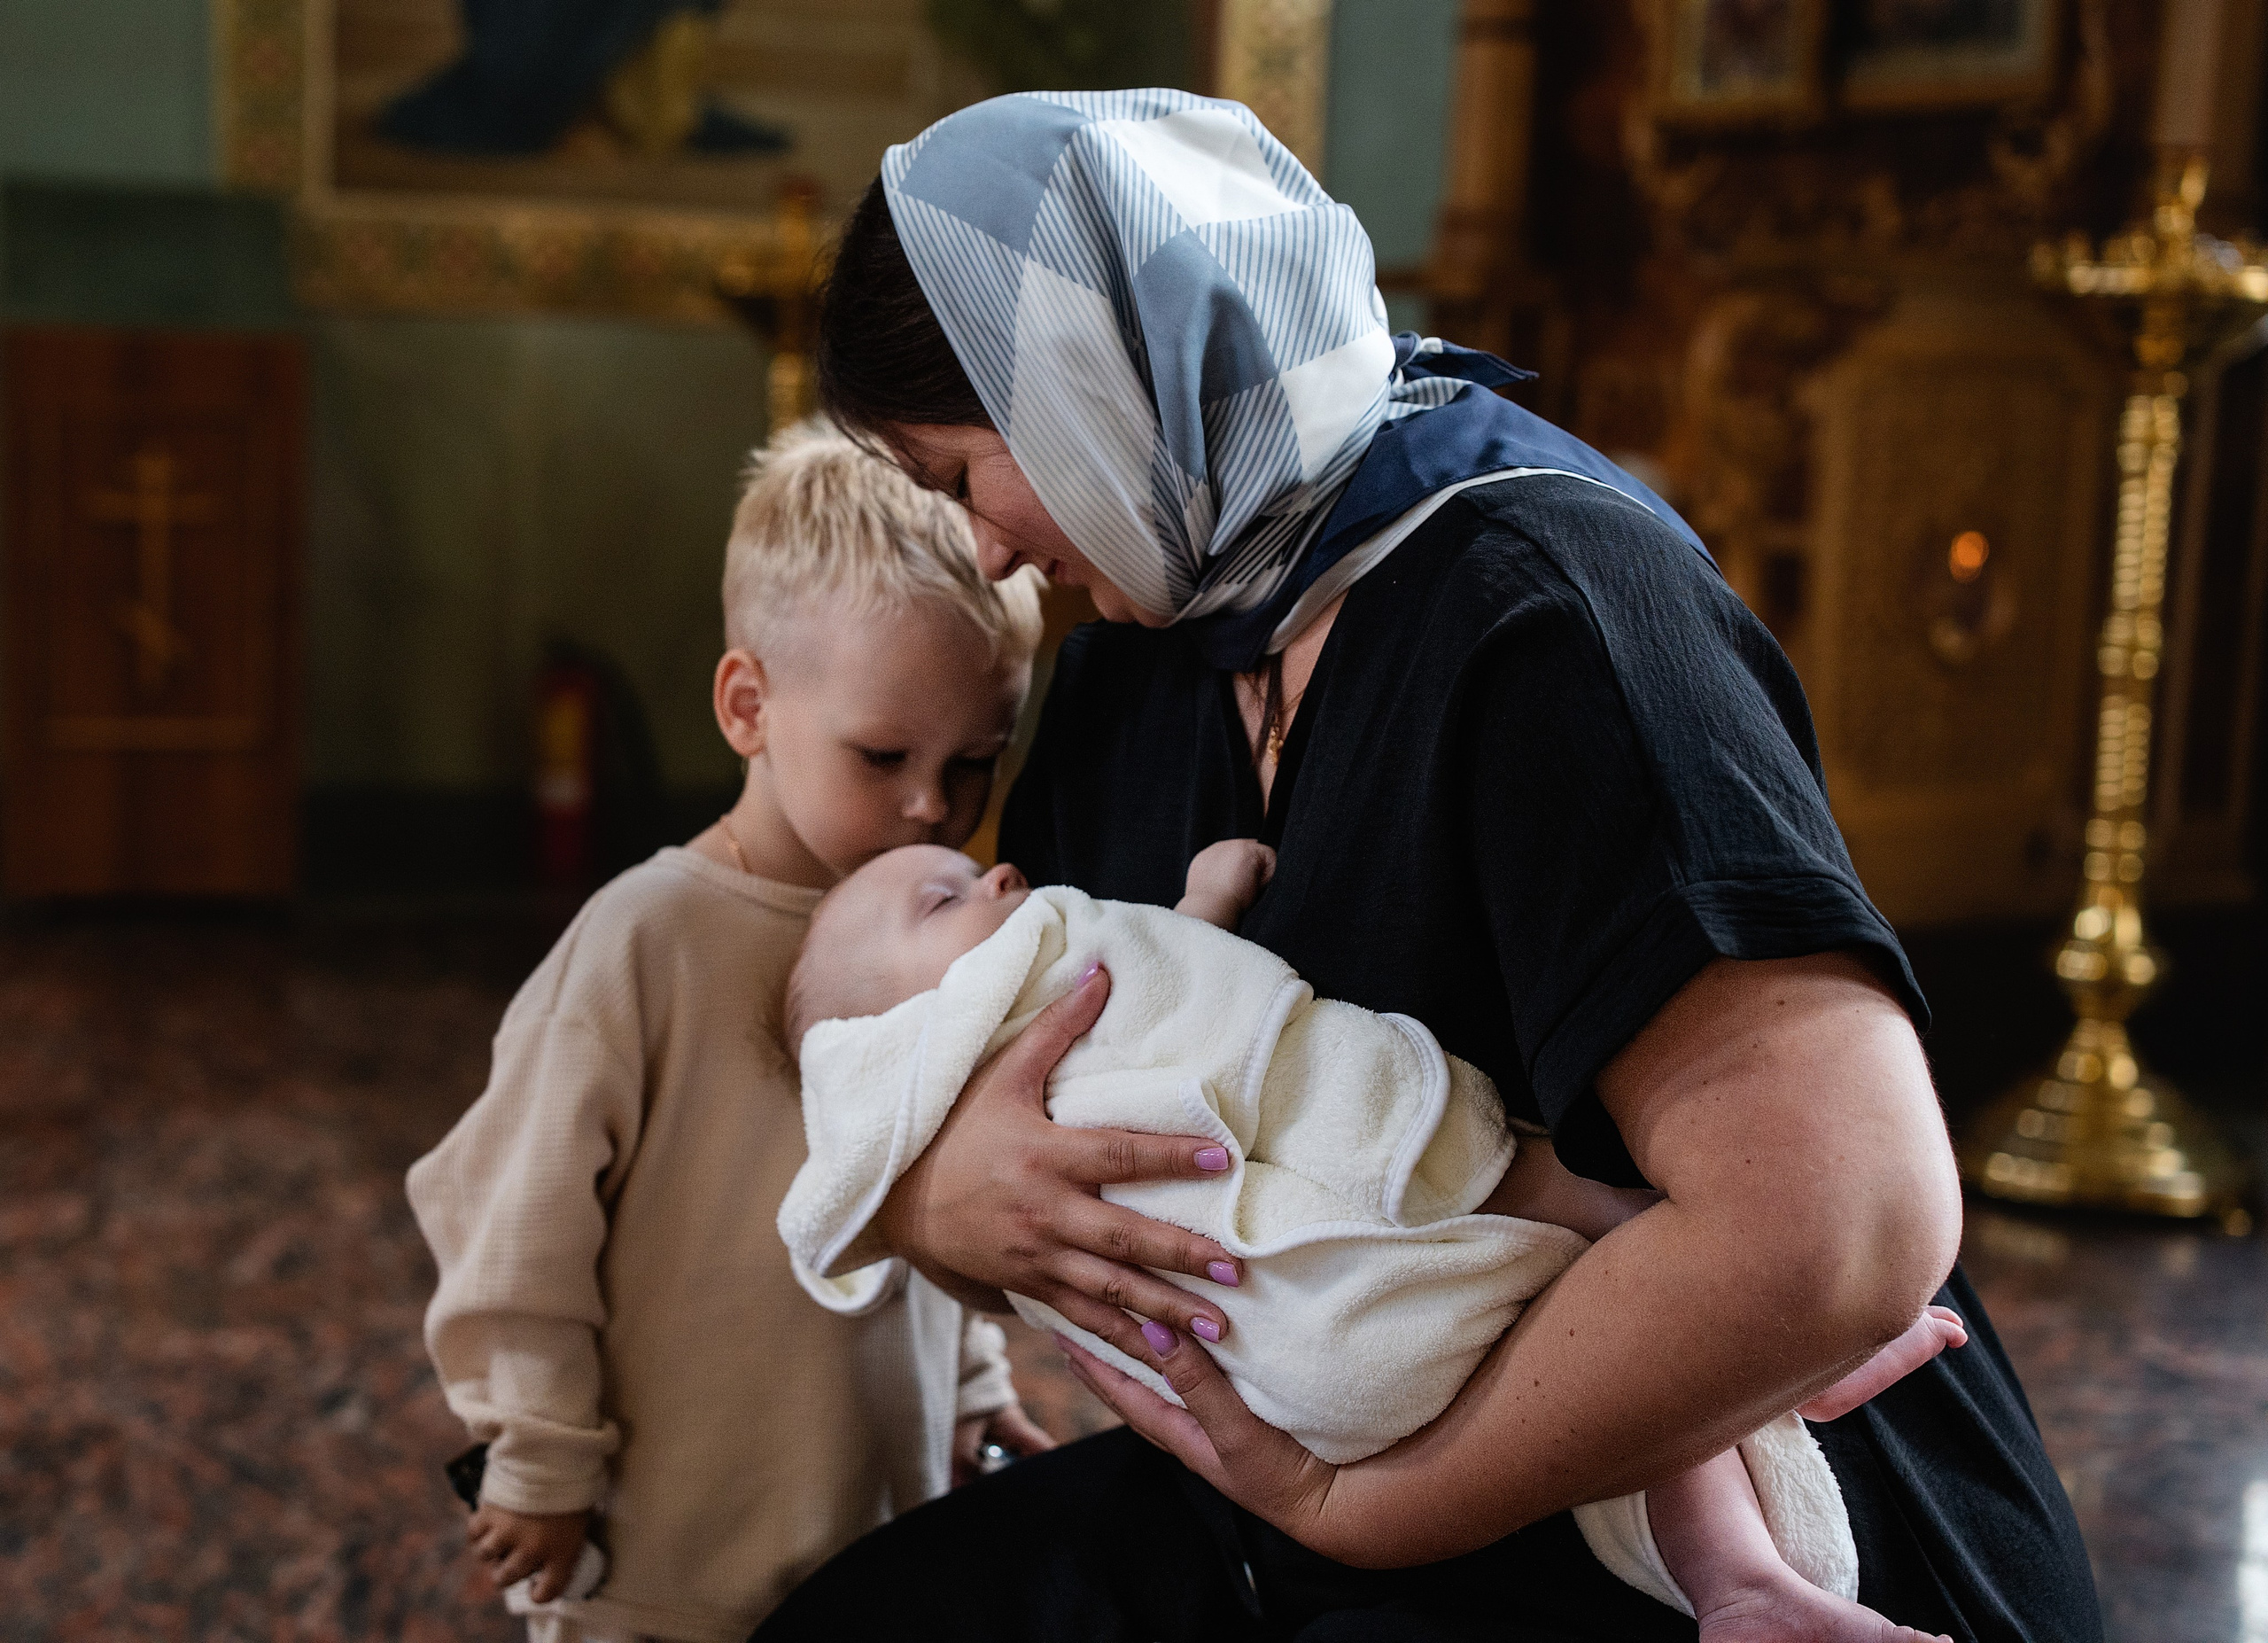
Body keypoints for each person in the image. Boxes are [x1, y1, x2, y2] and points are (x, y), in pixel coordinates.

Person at [752, 89, 2101, 1642]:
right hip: (1325, 1467)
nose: (983, 554)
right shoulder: (1138, 665)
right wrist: (943, 1202)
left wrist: (1368, 1514)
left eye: (958, 473)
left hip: (1721, 1507)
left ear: (1077, 384)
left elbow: (1843, 1228)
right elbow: (1090, 1101)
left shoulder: (1548, 613)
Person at [781, 838, 1969, 1640]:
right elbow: (1172, 990)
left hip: (1314, 1384)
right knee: (1614, 1237)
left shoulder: (1019, 1022)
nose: (991, 867)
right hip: (1352, 1250)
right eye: (939, 900)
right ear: (891, 1051)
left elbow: (1168, 971)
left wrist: (1201, 906)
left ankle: (1741, 1577)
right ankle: (1780, 1345)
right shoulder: (1012, 1007)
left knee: (1614, 1362)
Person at [405, 426, 1054, 1643]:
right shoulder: (646, 940)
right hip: (667, 1552)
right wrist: (537, 1457)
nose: (934, 807)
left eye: (977, 761)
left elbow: (936, 1187)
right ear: (749, 704)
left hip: (874, 1522)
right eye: (883, 755)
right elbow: (515, 1221)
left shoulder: (946, 938)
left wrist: (971, 1385)